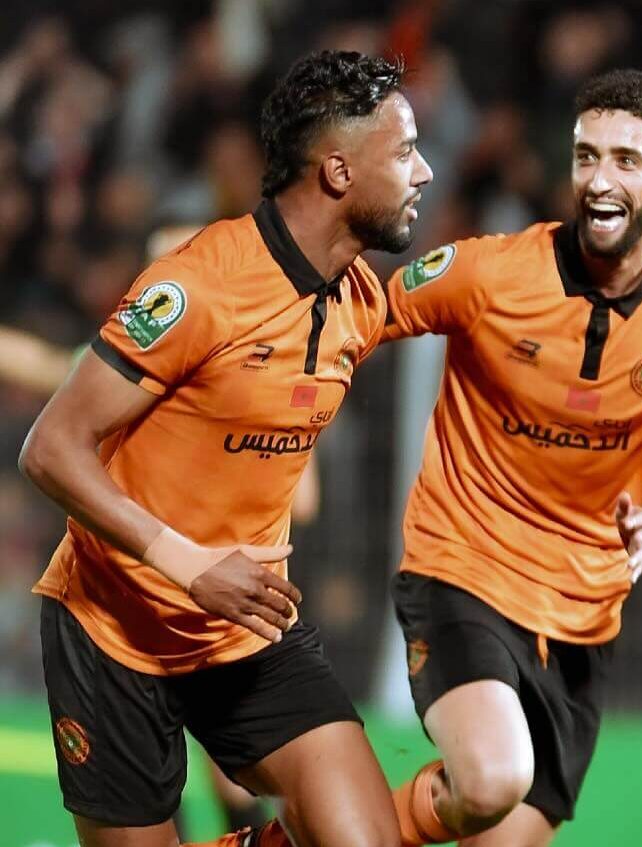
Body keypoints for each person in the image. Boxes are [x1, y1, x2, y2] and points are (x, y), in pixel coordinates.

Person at [21, 49, 432, 847]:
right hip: (112, 627)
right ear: (339, 172)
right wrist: (188, 563)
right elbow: (51, 447)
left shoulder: (361, 301)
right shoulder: (199, 284)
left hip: (245, 626)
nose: (424, 172)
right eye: (405, 152)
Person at [383, 69, 642, 847]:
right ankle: (323, 830)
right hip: (462, 569)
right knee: (491, 777)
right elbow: (357, 316)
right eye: (586, 156)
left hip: (583, 616)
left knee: (499, 830)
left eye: (625, 160)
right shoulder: (487, 272)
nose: (599, 180)